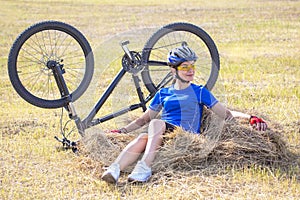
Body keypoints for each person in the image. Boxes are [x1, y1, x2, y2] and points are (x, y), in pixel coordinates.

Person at [101, 45, 267, 184]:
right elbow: (144, 118)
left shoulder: (200, 92)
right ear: (173, 70)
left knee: (155, 124)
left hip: (185, 137)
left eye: (192, 66)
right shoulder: (163, 93)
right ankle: (114, 169)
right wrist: (122, 131)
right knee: (142, 137)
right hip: (161, 136)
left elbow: (227, 114)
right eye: (185, 67)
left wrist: (250, 117)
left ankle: (145, 167)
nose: (190, 70)